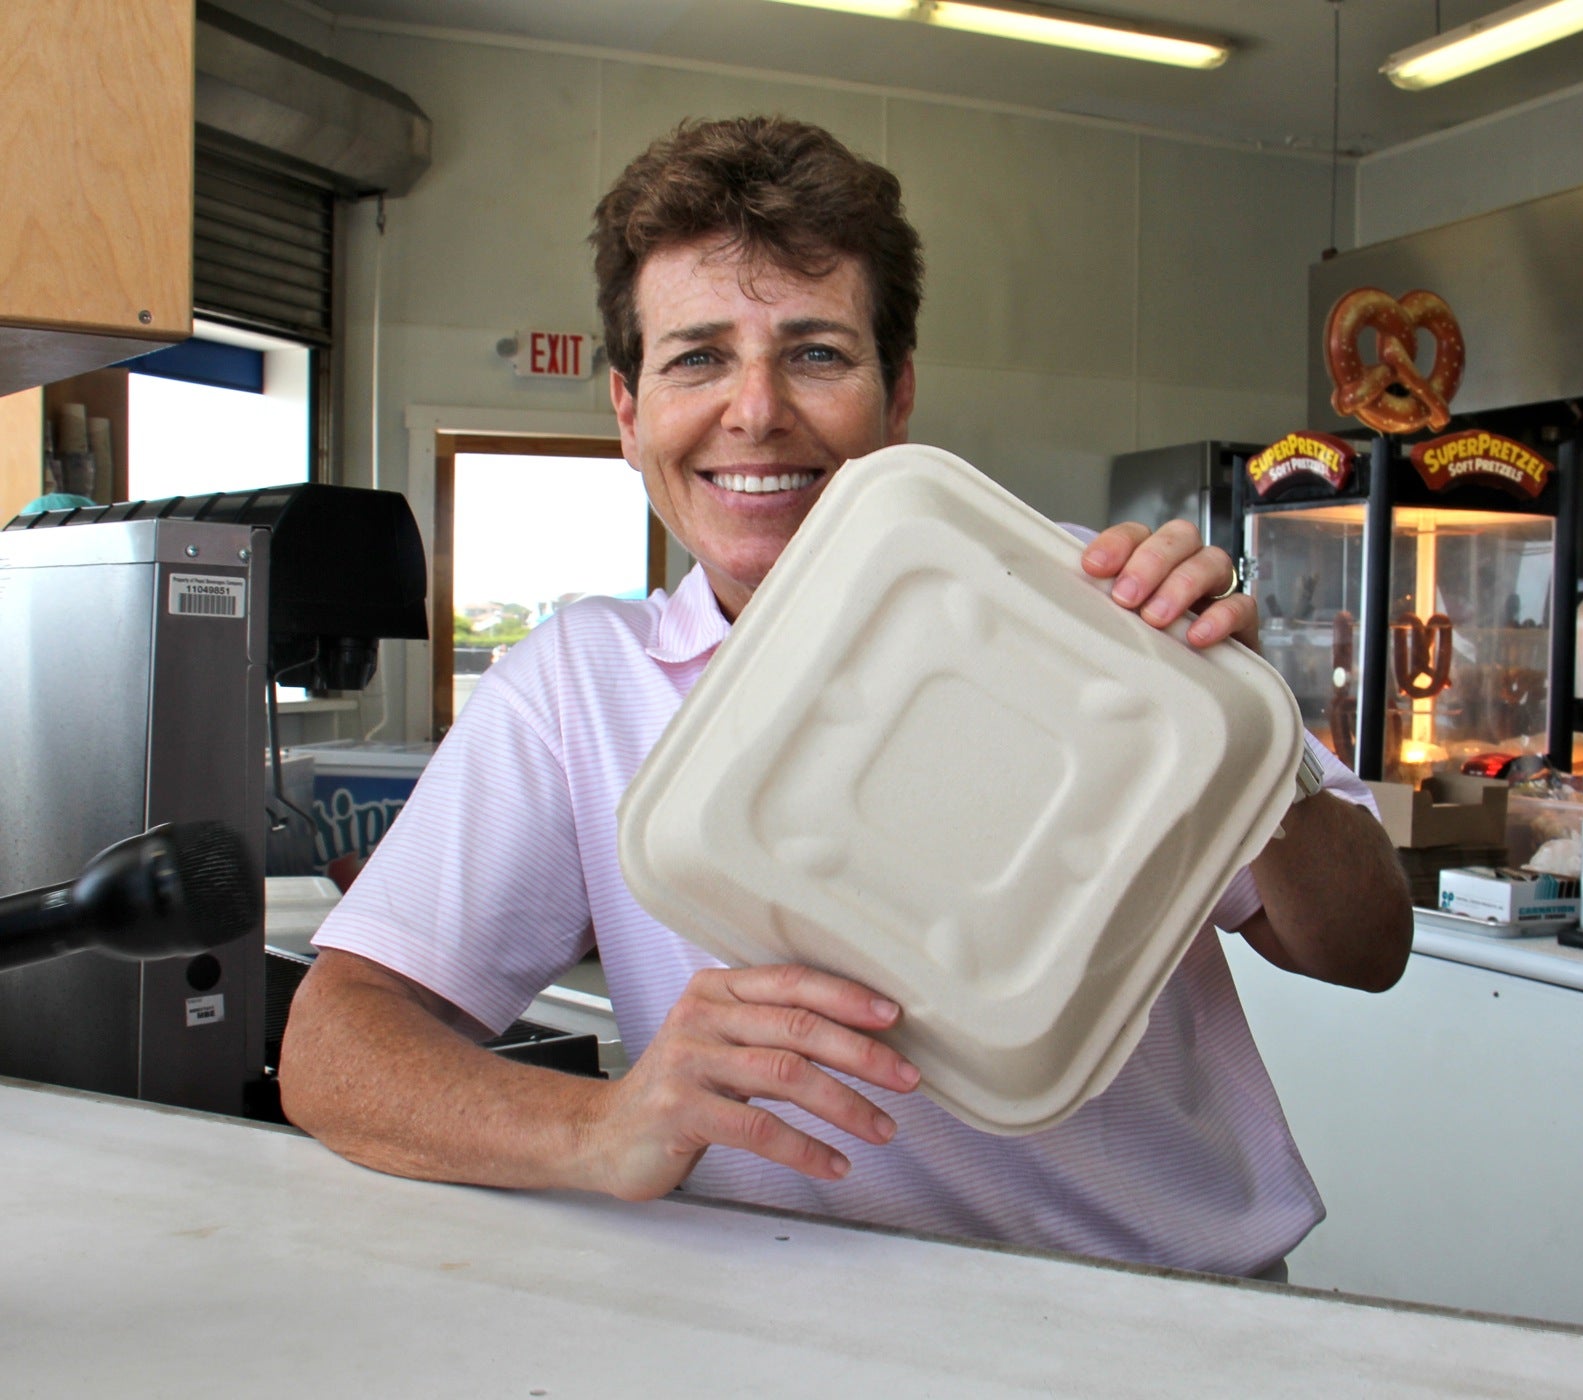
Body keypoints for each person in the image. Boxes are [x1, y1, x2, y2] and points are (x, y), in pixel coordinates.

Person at [279, 115, 1412, 1279]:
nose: (756, 411)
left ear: (897, 392)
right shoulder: (578, 686)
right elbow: (334, 1044)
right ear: (627, 412)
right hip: (797, 1329)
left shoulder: (1090, 606)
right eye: (696, 356)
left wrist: (1243, 722)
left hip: (1163, 1318)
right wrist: (602, 1125)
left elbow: (1365, 945)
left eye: (816, 352)